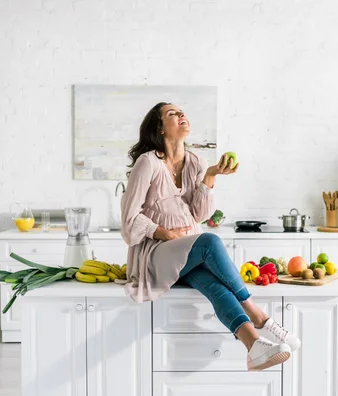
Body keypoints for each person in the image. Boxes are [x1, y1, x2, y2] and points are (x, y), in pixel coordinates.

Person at [120, 102, 300, 371]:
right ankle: (258, 315)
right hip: (157, 254)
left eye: (182, 111)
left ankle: (254, 347)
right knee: (211, 241)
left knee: (217, 286)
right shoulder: (148, 163)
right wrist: (163, 232)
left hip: (188, 254)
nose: (182, 114)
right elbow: (129, 220)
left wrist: (211, 176)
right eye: (172, 113)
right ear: (160, 127)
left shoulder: (197, 163)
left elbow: (200, 215)